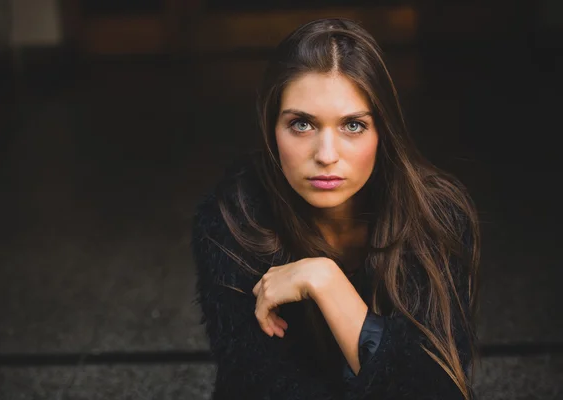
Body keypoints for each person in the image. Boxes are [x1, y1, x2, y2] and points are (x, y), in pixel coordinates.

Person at [191, 18, 480, 400]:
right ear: (270, 128)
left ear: (383, 131)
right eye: (302, 124)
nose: (326, 156)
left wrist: (328, 283)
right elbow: (259, 384)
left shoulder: (435, 215)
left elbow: (438, 389)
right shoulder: (232, 220)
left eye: (353, 126)